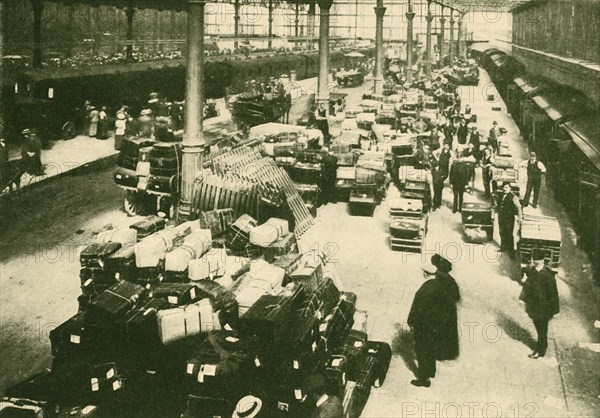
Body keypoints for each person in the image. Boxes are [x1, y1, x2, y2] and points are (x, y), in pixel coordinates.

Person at [408, 254, 460, 388]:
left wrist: (411, 322)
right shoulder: (444, 282)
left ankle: (423, 379)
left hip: (425, 325)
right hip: (438, 324)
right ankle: (431, 371)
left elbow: (417, 308)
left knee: (422, 350)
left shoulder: (426, 289)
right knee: (430, 349)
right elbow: (455, 297)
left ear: (426, 274)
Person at [519, 249, 559, 358]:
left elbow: (553, 293)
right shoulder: (532, 271)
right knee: (538, 326)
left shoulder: (548, 274)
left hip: (544, 307)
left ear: (543, 261)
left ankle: (540, 349)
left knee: (542, 328)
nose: (536, 261)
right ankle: (542, 345)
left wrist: (555, 310)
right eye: (535, 259)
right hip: (533, 305)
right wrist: (522, 298)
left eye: (539, 259)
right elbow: (527, 286)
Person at [496, 181, 523, 257]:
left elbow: (518, 207)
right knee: (501, 232)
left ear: (510, 188)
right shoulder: (501, 195)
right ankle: (503, 247)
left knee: (509, 233)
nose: (504, 189)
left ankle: (511, 252)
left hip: (509, 219)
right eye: (503, 187)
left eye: (506, 187)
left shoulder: (514, 197)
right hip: (501, 217)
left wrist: (520, 217)